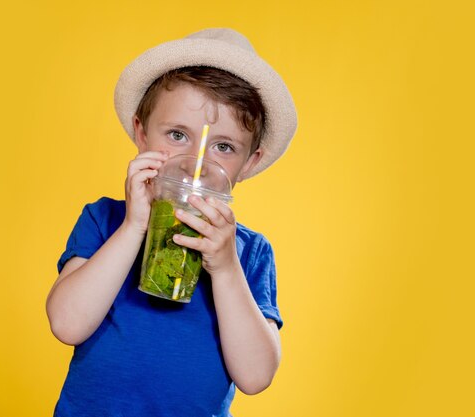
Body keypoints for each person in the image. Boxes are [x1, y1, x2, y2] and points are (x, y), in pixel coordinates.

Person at [46, 28, 297, 417]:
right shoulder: (104, 219)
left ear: (250, 163)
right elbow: (66, 324)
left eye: (223, 147)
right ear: (142, 133)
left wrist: (227, 269)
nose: (196, 165)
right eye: (178, 134)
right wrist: (134, 227)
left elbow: (255, 377)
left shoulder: (248, 253)